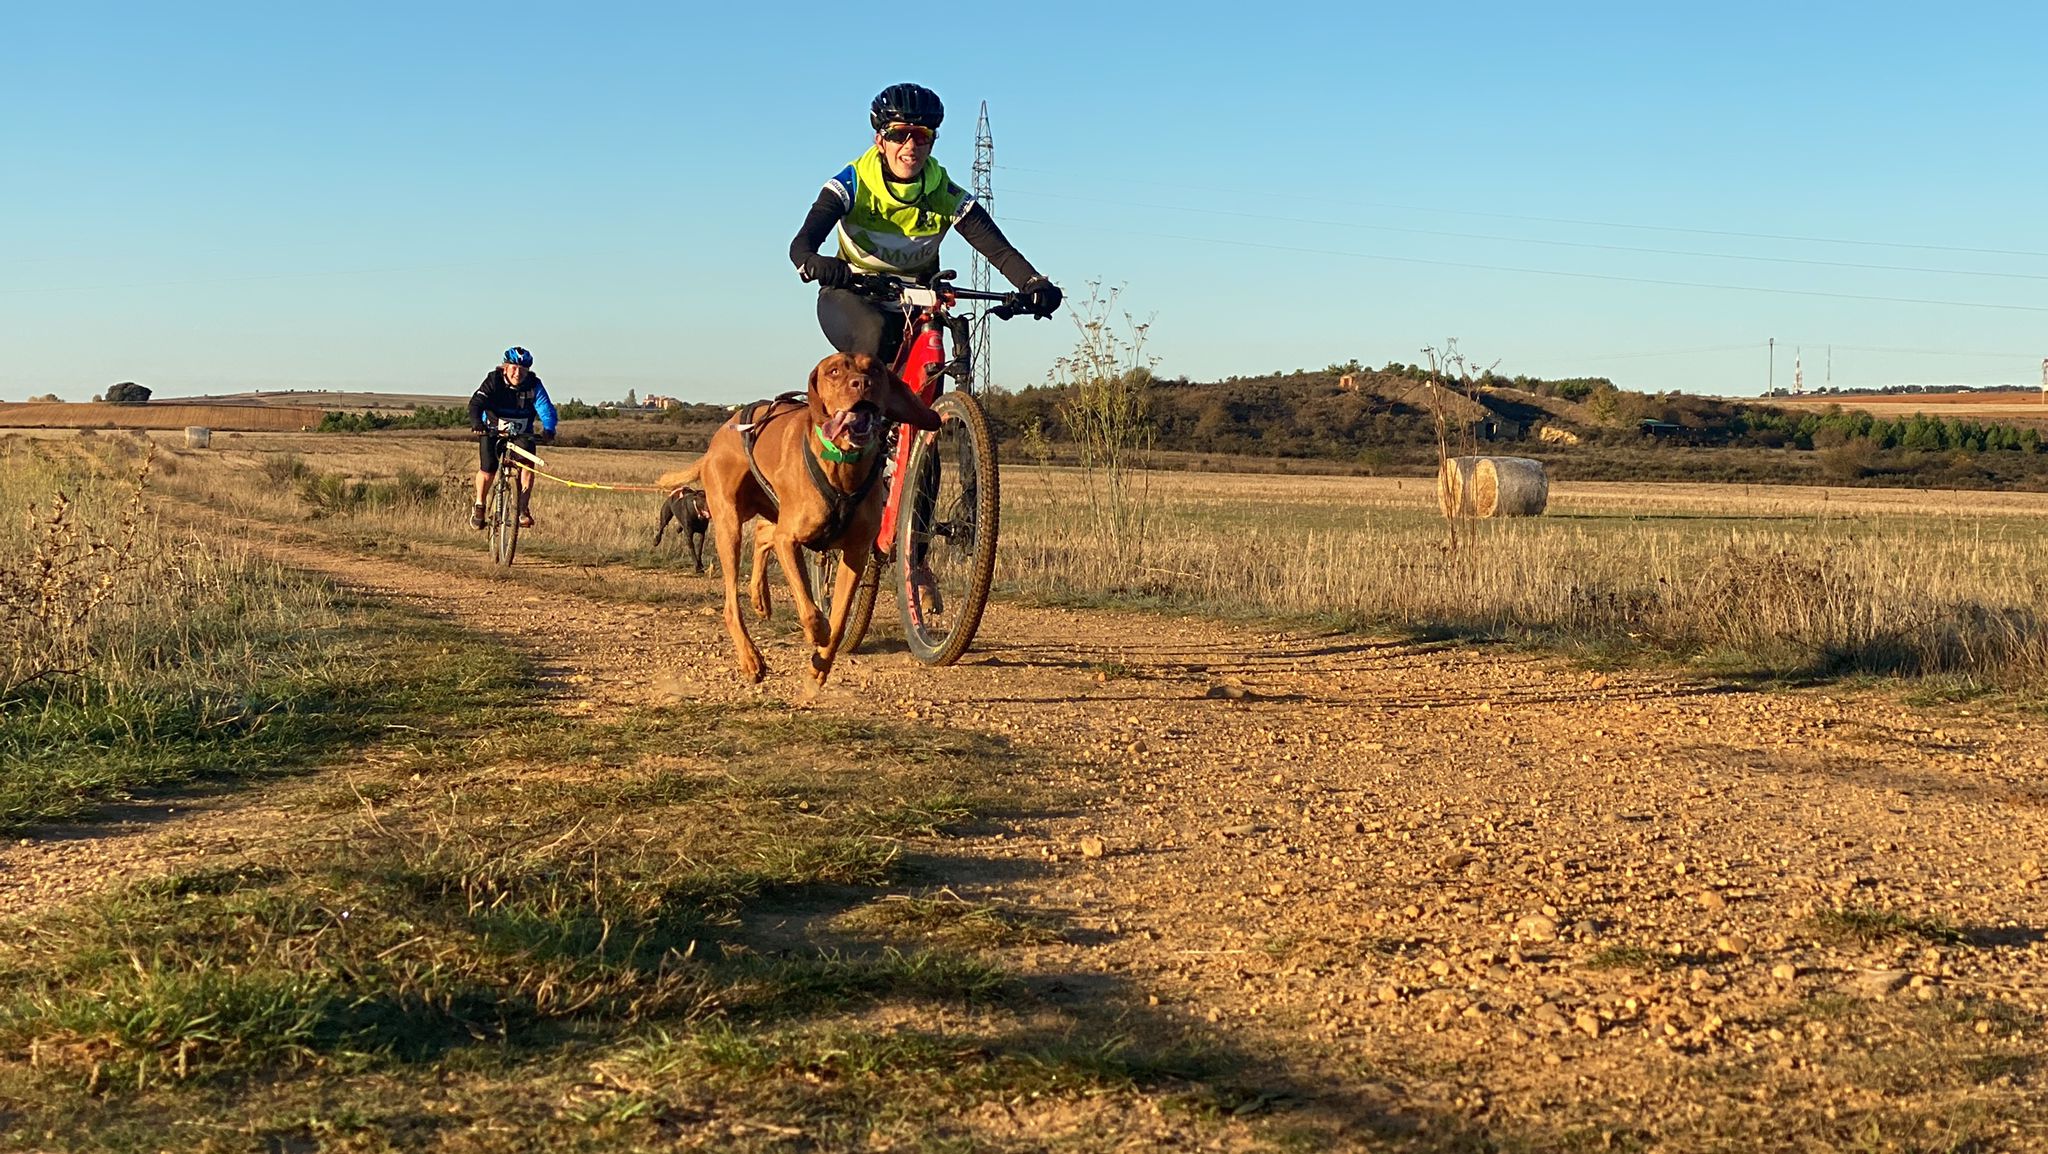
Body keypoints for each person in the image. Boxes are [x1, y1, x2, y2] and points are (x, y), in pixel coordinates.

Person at [788, 82, 1063, 366]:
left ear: (931, 142)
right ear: (879, 140)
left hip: (917, 299)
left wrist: (1033, 283)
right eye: (898, 134)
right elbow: (801, 246)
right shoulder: (852, 184)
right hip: (853, 294)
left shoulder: (943, 192)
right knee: (874, 337)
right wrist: (813, 261)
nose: (910, 146)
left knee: (930, 372)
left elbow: (999, 251)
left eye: (921, 136)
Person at [467, 346, 557, 529]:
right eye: (514, 368)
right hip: (491, 430)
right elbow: (477, 402)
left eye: (523, 369)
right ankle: (480, 505)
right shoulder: (493, 380)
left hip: (522, 432)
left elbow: (545, 408)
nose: (518, 373)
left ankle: (522, 508)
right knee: (488, 468)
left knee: (527, 465)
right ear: (505, 367)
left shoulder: (534, 385)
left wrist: (549, 429)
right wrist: (477, 422)